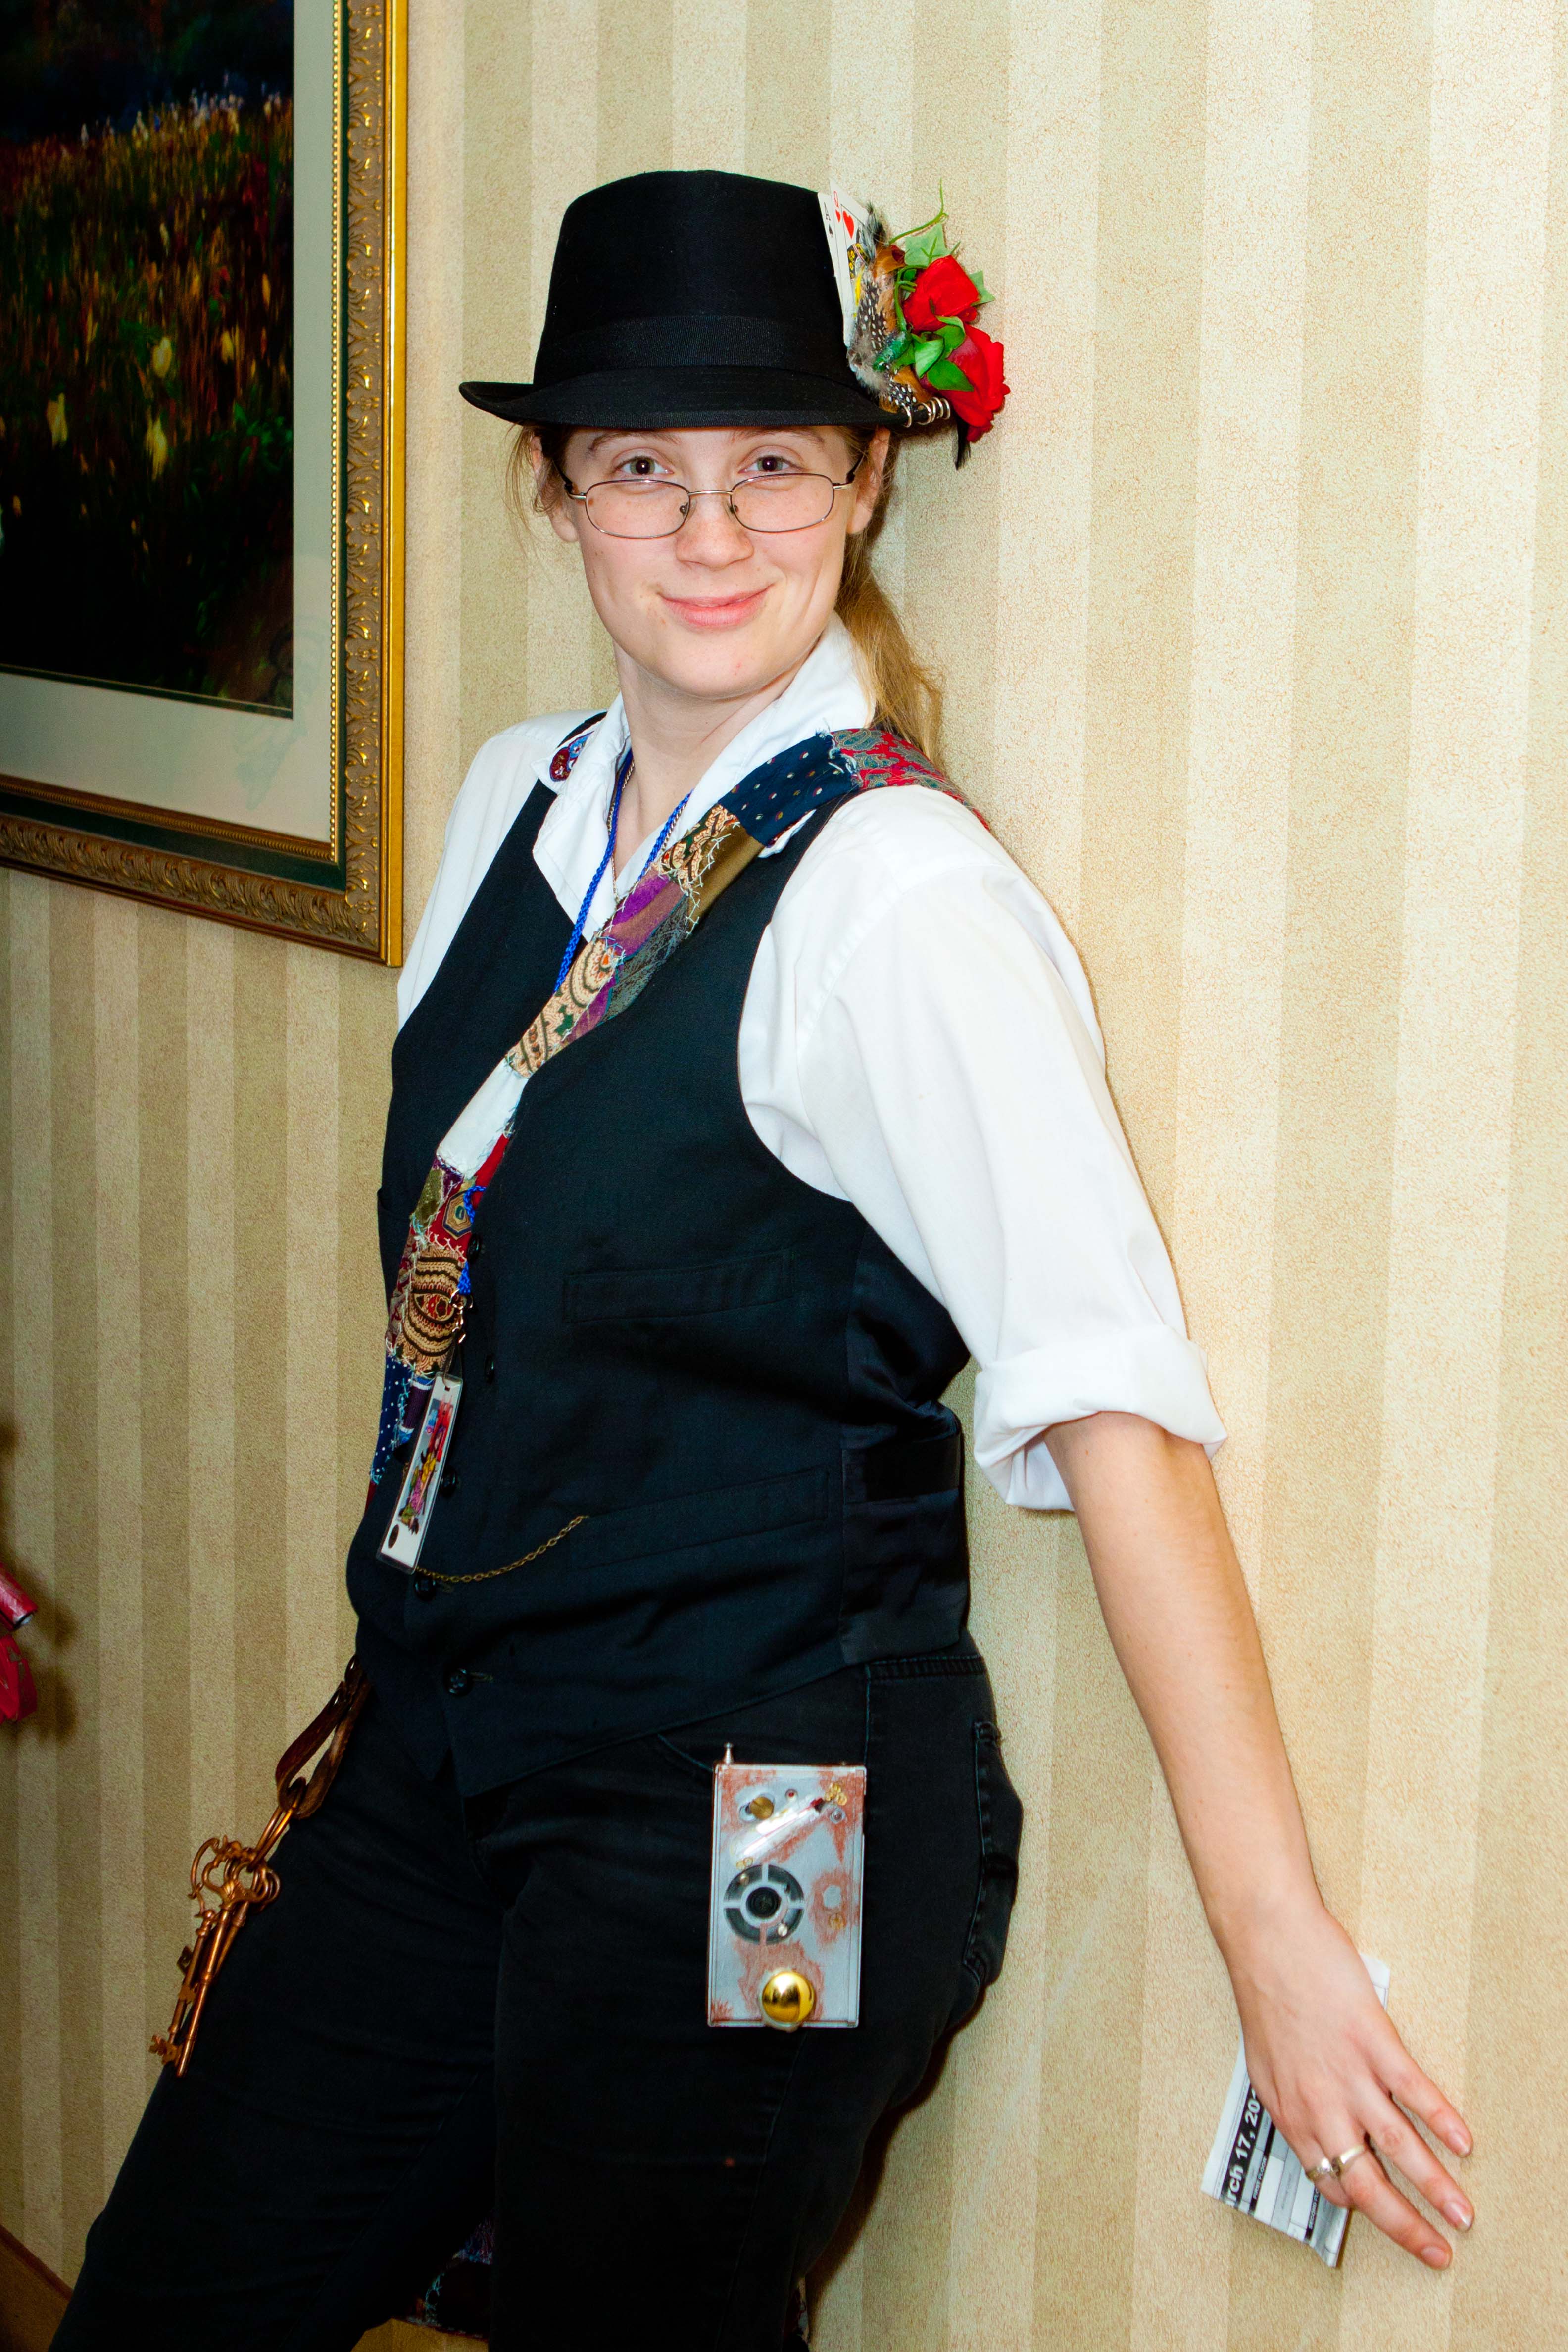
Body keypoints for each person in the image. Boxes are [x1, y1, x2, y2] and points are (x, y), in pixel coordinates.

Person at [54, 168, 1472, 2352]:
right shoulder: (514, 805)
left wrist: (1269, 1933)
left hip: (781, 1805)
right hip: (456, 1742)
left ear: (863, 482)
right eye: (644, 468)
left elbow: (1113, 1406)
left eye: (773, 468)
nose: (711, 533)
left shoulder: (902, 900)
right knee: (170, 2300)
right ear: (557, 493)